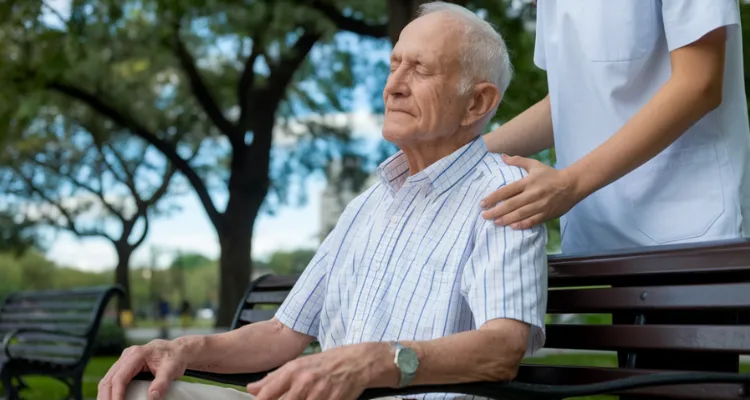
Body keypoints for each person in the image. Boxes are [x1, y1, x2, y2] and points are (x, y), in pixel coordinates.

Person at [98, 3, 548, 400]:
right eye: (394, 65)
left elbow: (502, 348)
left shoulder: (505, 194)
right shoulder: (367, 206)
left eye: (421, 69)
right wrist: (182, 348)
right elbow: (281, 333)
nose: (394, 85)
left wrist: (373, 363)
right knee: (139, 389)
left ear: (476, 103)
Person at [480, 0, 750, 255]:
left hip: (691, 235)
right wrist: (463, 154)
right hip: (599, 243)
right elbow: (567, 104)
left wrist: (569, 184)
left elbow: (699, 84)